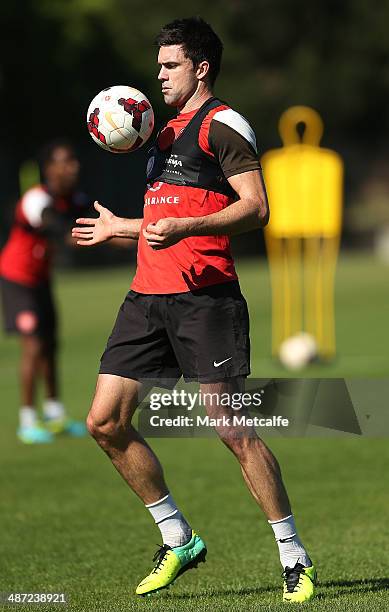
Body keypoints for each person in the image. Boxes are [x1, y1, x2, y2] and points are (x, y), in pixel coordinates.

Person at [72, 17, 316, 603]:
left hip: (205, 302)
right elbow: (163, 225)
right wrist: (121, 227)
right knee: (104, 422)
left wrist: (189, 225)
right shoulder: (154, 135)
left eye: (169, 65)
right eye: (157, 65)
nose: (157, 75)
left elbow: (257, 209)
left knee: (232, 430)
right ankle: (177, 536)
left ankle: (294, 555)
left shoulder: (224, 125)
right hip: (146, 297)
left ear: (201, 68)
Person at [1, 141, 89, 444]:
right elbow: (58, 229)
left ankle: (54, 415)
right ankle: (27, 421)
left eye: (74, 160)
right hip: (17, 279)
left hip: (41, 280)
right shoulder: (36, 199)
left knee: (51, 345)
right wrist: (120, 239)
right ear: (49, 168)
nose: (72, 166)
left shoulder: (74, 198)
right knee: (34, 346)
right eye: (65, 161)